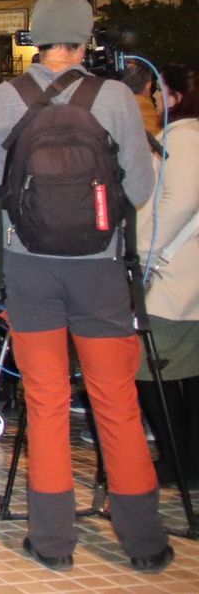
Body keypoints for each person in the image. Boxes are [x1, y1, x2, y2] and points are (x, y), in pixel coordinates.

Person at [0, 0, 168, 573]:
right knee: (116, 400)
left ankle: (53, 540)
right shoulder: (114, 96)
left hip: (30, 268)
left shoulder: (4, 97)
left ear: (34, 38)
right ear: (87, 39)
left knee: (46, 401)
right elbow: (139, 189)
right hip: (100, 270)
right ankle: (144, 542)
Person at [137, 63, 199, 493]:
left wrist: (142, 252)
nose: (155, 99)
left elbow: (176, 204)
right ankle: (187, 458)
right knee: (189, 371)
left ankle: (178, 458)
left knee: (147, 368)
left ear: (175, 96)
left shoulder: (184, 139)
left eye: (160, 92)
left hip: (171, 276)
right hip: (183, 274)